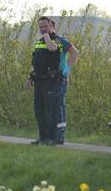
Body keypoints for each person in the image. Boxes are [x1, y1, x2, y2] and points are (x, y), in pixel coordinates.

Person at [26, 16, 78, 145]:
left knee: (55, 108)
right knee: (41, 109)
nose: (43, 29)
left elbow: (74, 53)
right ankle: (43, 137)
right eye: (40, 27)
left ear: (51, 26)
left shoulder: (59, 40)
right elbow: (37, 61)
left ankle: (57, 137)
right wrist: (31, 77)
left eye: (45, 26)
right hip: (40, 79)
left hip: (56, 79)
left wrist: (67, 69)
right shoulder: (39, 42)